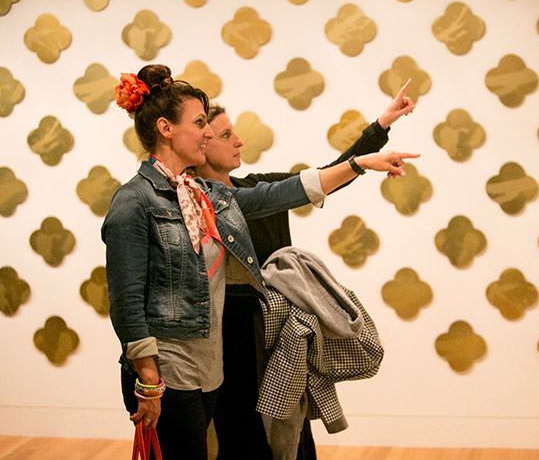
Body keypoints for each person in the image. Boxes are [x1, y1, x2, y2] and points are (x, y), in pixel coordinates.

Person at [102, 63, 417, 460]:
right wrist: (147, 379)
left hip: (209, 367)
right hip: (170, 371)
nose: (209, 133)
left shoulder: (203, 195)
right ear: (166, 129)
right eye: (201, 123)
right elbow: (126, 299)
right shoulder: (134, 202)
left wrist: (361, 160)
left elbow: (289, 190)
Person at [192, 82, 414, 459]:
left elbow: (327, 175)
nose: (239, 141)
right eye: (226, 134)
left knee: (290, 433)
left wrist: (380, 126)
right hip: (234, 337)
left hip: (278, 332)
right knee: (244, 433)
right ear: (202, 144)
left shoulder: (260, 186)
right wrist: (363, 160)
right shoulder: (201, 203)